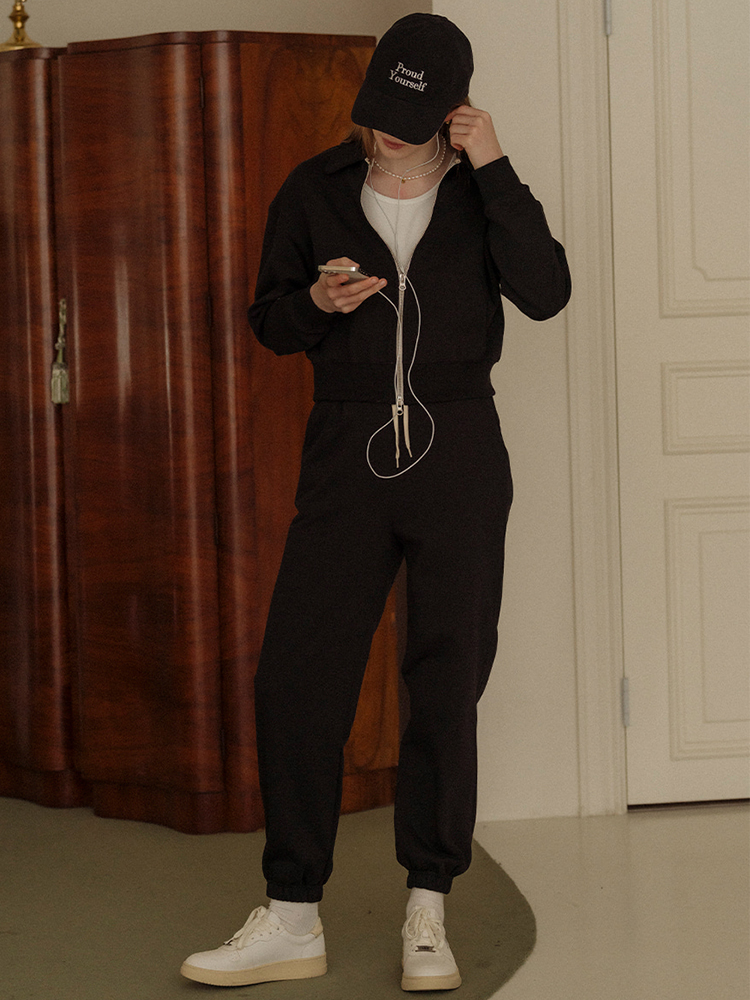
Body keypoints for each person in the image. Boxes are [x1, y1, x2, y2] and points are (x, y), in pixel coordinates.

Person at [181, 12, 570, 992]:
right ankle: (291, 915)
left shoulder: (483, 190)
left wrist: (496, 166)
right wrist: (316, 304)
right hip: (346, 448)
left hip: (459, 448)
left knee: (446, 677)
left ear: (452, 111)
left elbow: (547, 290)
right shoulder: (315, 188)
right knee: (298, 675)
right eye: (378, 112)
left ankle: (428, 908)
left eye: (410, 116)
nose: (386, 132)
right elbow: (270, 321)